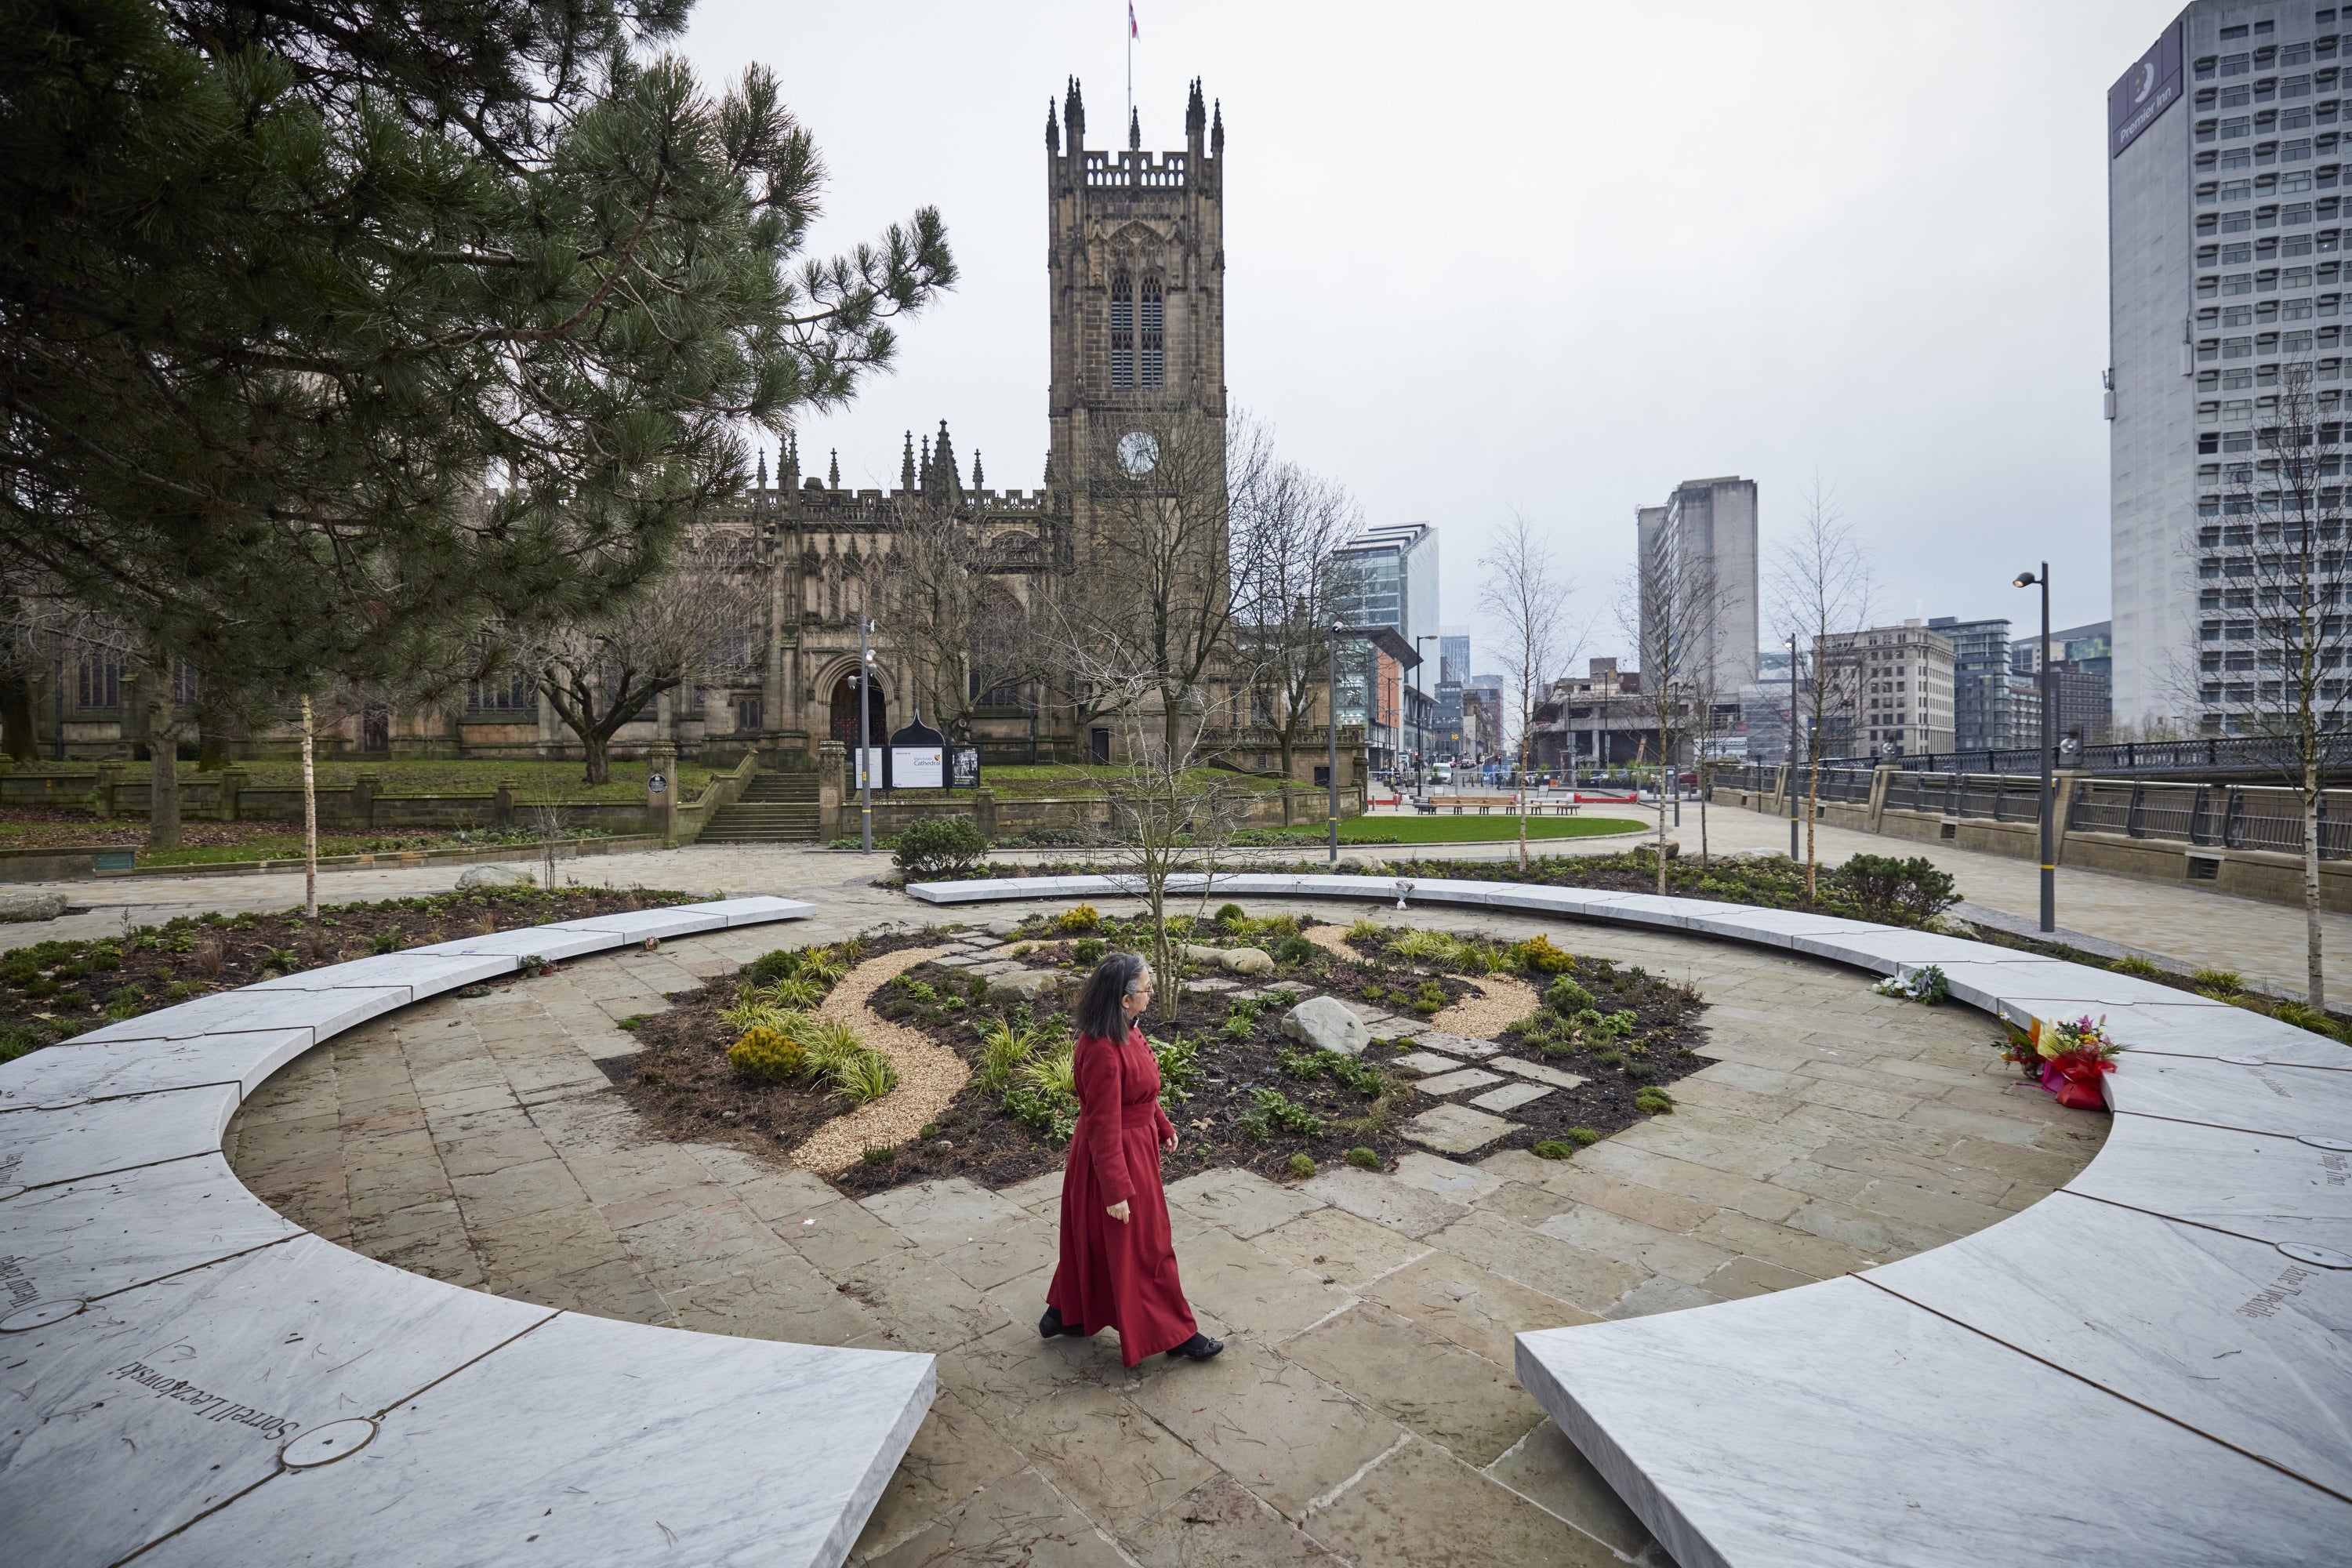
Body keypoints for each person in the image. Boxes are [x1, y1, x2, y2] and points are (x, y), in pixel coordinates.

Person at [1040, 952, 1222, 1365]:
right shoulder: (1103, 1049)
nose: (1151, 992)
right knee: (1146, 1247)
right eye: (1146, 987)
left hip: (1129, 1148)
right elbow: (1103, 1123)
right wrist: (1116, 1190)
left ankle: (1067, 1314)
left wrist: (1161, 1123)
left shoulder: (1123, 1029)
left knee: (1097, 1241)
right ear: (1124, 999)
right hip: (1116, 1157)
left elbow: (1139, 1090)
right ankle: (1177, 1334)